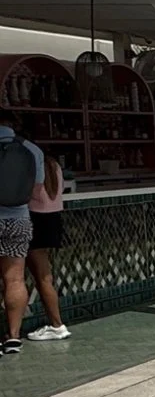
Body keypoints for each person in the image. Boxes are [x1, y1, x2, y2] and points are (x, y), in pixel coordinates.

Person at [0, 110, 44, 356]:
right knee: (14, 279)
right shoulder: (31, 149)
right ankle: (14, 337)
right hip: (18, 219)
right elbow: (36, 191)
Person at [26, 153, 68, 341]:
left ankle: (56, 324)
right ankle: (55, 323)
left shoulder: (28, 164)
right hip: (53, 219)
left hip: (34, 218)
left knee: (36, 277)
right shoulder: (54, 165)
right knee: (44, 276)